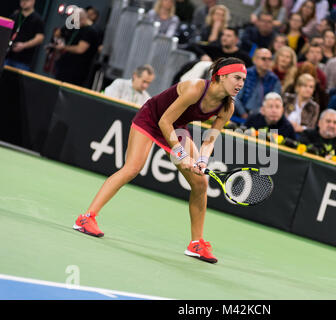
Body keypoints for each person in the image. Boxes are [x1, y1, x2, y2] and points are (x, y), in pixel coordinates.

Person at [73, 57, 247, 264]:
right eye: (237, 78)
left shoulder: (227, 107)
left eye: (243, 80)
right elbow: (164, 120)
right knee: (132, 168)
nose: (241, 84)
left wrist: (201, 160)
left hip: (177, 127)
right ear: (221, 76)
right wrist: (181, 155)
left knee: (200, 183)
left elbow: (210, 139)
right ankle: (86, 218)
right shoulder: (195, 89)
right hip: (152, 119)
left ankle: (196, 243)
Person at [54, 8, 99, 87]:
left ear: (82, 19)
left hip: (76, 71)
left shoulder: (90, 31)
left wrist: (64, 47)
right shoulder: (76, 28)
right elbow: (58, 34)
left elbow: (80, 49)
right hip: (64, 67)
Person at [234, 48, 282, 119]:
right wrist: (243, 113)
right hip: (239, 114)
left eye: (269, 59)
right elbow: (235, 97)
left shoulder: (274, 79)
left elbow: (274, 102)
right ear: (255, 60)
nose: (267, 61)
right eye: (263, 59)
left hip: (262, 118)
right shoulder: (244, 74)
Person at [5, 0, 44, 71]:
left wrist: (24, 45)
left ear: (33, 1)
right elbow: (6, 32)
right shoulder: (15, 16)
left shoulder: (37, 19)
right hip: (7, 56)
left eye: (27, 0)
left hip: (23, 61)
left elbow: (40, 38)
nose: (24, 2)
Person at [285, 73, 320, 138]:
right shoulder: (287, 98)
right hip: (283, 128)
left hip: (300, 134)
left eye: (311, 87)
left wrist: (301, 128)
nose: (308, 89)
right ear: (297, 87)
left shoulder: (314, 107)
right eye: (305, 86)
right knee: (272, 130)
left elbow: (312, 128)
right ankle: (264, 148)